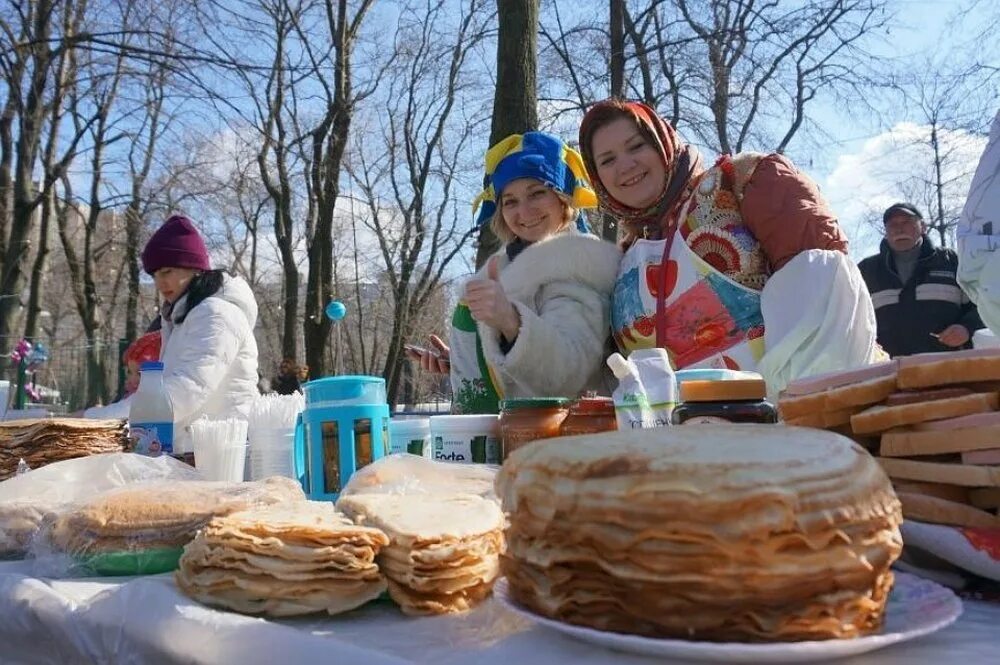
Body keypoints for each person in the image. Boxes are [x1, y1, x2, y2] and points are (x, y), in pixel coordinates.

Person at [578, 99, 883, 393]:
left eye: (637, 146)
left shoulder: (744, 184)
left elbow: (826, 295)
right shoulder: (624, 258)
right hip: (681, 438)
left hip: (777, 424)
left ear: (663, 144)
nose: (625, 165)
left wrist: (790, 413)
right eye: (608, 160)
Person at [407, 131, 621, 414]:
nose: (525, 210)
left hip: (563, 445)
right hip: (511, 439)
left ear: (563, 200)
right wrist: (469, 362)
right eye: (510, 201)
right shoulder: (510, 265)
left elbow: (568, 373)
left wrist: (510, 321)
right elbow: (520, 367)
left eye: (537, 193)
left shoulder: (576, 268)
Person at [140, 214, 259, 451]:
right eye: (154, 276)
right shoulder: (180, 318)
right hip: (195, 449)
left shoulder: (216, 314)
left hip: (224, 452)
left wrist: (102, 421)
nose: (160, 283)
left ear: (194, 267)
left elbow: (188, 388)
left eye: (167, 271)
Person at [859, 202, 984, 356]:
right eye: (892, 225)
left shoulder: (951, 262)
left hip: (949, 365)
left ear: (923, 227)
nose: (899, 229)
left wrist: (966, 328)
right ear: (886, 232)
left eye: (906, 222)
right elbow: (852, 318)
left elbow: (984, 303)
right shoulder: (867, 270)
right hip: (887, 370)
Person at [82, 331, 161, 419]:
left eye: (140, 373)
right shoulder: (132, 392)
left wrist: (86, 414)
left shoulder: (149, 397)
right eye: (130, 372)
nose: (132, 379)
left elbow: (120, 412)